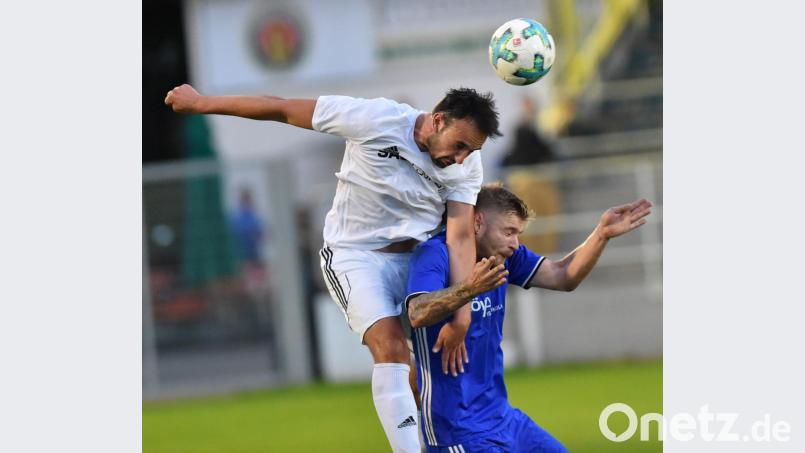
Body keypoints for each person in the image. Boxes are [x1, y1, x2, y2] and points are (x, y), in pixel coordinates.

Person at [165, 84, 502, 452]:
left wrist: (462, 316)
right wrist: (201, 103)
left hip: (417, 262)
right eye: (460, 145)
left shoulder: (466, 166)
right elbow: (281, 108)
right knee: (390, 348)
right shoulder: (375, 118)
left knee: (432, 376)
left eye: (471, 151)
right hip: (356, 257)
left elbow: (459, 238)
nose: (462, 158)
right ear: (438, 121)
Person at [405, 184, 652, 452]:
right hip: (458, 431)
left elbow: (563, 276)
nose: (515, 243)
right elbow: (417, 312)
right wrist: (469, 289)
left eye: (518, 234)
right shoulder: (435, 254)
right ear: (477, 223)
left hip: (504, 420)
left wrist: (601, 234)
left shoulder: (505, 257)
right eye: (508, 232)